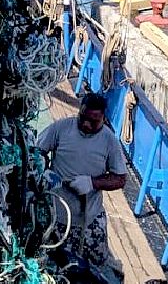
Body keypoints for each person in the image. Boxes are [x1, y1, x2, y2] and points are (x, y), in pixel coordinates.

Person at [37, 92, 127, 268]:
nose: (86, 124)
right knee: (52, 262)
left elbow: (120, 178)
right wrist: (44, 170)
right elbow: (36, 151)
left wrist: (93, 183)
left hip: (89, 216)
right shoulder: (61, 128)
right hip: (57, 212)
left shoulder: (110, 141)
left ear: (103, 118)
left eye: (93, 122)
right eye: (82, 118)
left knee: (96, 264)